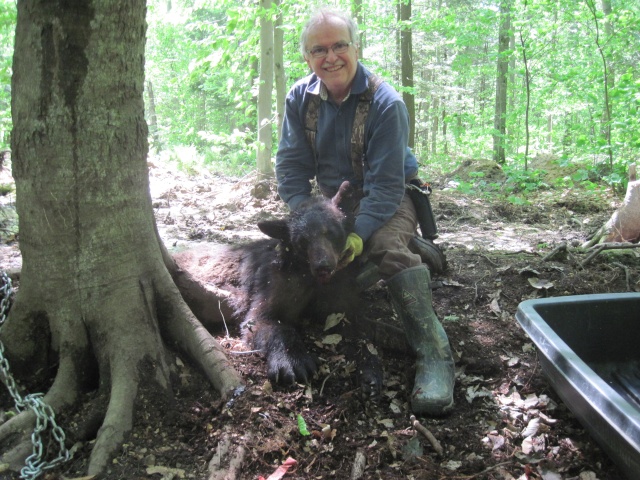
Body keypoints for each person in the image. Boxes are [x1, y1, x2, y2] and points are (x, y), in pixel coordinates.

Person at [275, 7, 455, 416]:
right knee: (320, 263)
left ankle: (434, 355)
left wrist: (358, 234)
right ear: (307, 57)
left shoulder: (385, 103)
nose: (331, 57)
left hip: (390, 194)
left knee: (385, 245)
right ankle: (418, 251)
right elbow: (290, 168)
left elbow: (387, 186)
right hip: (331, 202)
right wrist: (310, 222)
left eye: (340, 45)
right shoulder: (299, 100)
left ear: (356, 47)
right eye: (318, 49)